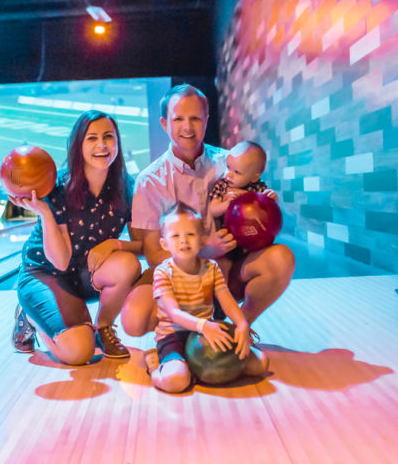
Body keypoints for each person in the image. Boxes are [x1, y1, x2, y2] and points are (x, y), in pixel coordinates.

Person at [120, 83, 295, 339]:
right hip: (179, 275)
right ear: (164, 124)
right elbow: (155, 254)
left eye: (195, 118)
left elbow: (257, 207)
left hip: (228, 270)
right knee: (134, 320)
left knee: (281, 259)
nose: (187, 127)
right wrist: (204, 249)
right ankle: (190, 327)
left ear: (206, 120)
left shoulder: (230, 163)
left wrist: (265, 204)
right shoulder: (149, 181)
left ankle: (238, 328)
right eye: (178, 119)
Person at [10, 110, 143, 365]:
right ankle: (32, 317)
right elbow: (60, 262)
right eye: (92, 138)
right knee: (79, 353)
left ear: (117, 142)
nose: (102, 145)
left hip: (84, 274)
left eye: (108, 137)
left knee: (128, 264)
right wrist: (45, 212)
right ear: (78, 145)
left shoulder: (126, 186)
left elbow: (142, 246)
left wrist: (114, 244)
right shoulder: (58, 186)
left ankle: (103, 328)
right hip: (45, 274)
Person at [147, 203, 268, 393]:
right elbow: (174, 313)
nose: (183, 241)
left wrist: (241, 324)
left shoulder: (211, 268)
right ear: (164, 244)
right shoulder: (163, 272)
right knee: (176, 381)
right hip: (174, 336)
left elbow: (226, 299)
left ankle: (195, 371)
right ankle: (155, 366)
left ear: (203, 239)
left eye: (190, 234)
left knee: (261, 364)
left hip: (205, 334)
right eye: (175, 236)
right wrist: (203, 325)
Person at [208, 140, 277, 230]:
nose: (228, 174)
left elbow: (268, 211)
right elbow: (212, 210)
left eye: (237, 172)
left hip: (254, 230)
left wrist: (272, 199)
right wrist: (227, 204)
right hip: (230, 232)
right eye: (228, 167)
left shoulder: (258, 187)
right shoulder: (222, 185)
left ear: (254, 177)